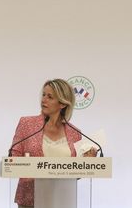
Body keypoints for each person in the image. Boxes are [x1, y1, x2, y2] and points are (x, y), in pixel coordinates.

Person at [9, 79, 96, 208]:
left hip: (63, 200)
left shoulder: (75, 132)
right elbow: (13, 159)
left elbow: (74, 174)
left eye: (50, 97)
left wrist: (86, 163)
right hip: (30, 201)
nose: (43, 100)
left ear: (62, 103)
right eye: (43, 95)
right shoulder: (26, 124)